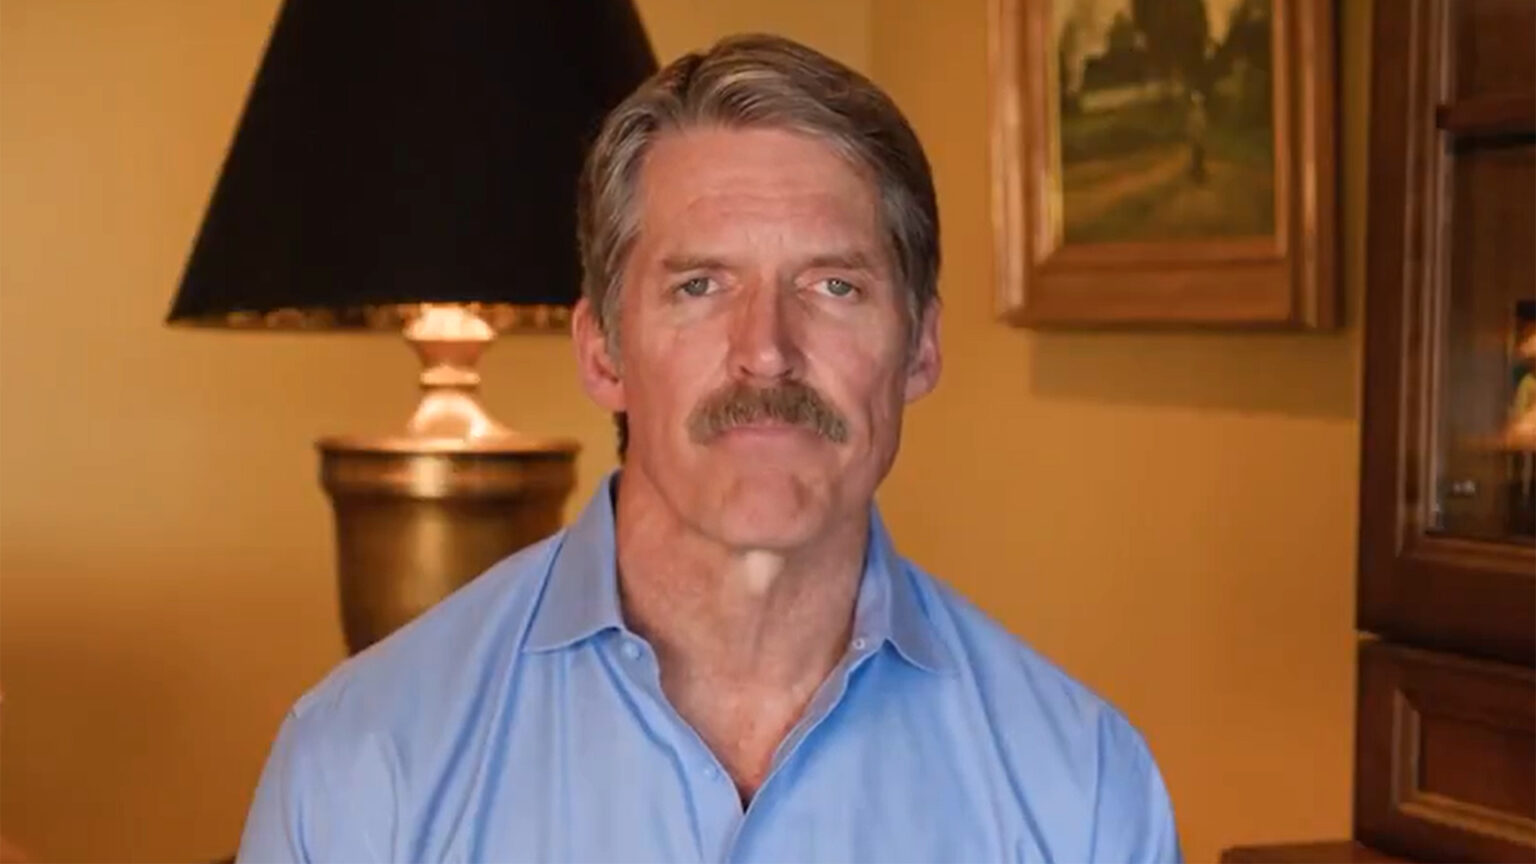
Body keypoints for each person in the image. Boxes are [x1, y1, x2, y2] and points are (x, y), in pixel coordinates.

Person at [237, 34, 1181, 863]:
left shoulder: (1081, 787)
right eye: (699, 286)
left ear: (921, 348)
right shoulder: (366, 761)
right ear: (602, 349)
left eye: (834, 287)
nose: (765, 349)